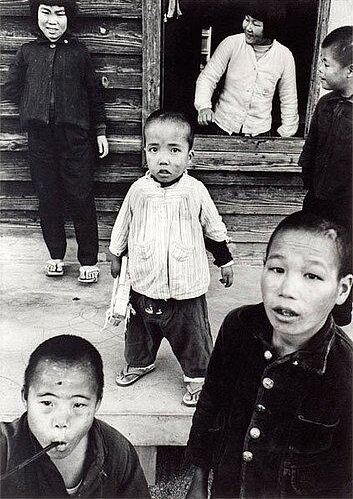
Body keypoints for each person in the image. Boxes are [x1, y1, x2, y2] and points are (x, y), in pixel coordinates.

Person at [185, 211, 352, 498]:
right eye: (277, 269)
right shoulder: (238, 328)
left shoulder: (344, 372)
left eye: (312, 275)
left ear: (342, 289)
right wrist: (198, 477)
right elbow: (211, 403)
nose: (287, 290)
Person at [109, 110, 234, 406]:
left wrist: (224, 260)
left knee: (193, 335)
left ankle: (198, 376)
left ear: (190, 157)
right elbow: (122, 223)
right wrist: (116, 253)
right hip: (144, 280)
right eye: (154, 150)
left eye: (174, 150)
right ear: (145, 154)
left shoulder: (195, 191)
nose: (163, 159)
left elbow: (213, 228)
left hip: (185, 286)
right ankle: (140, 361)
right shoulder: (139, 190)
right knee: (140, 330)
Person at [3, 0, 109, 283]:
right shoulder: (27, 52)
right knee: (47, 197)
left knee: (81, 196)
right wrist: (31, 106)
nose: (53, 21)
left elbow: (94, 95)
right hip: (40, 138)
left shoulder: (79, 53)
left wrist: (99, 130)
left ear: (69, 17)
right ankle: (56, 255)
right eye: (46, 13)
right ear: (35, 15)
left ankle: (88, 259)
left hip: (75, 138)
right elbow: (11, 87)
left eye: (60, 14)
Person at [0, 334, 150, 498]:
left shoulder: (117, 453)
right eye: (47, 403)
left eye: (78, 405)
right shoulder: (4, 449)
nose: (61, 422)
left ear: (97, 404)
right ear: (25, 397)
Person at [299, 26, 353, 326]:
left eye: (326, 64)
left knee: (344, 258)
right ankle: (312, 308)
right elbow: (312, 147)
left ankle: (340, 314)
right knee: (313, 253)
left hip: (347, 209)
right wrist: (308, 179)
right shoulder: (325, 103)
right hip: (317, 202)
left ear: (350, 70)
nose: (319, 69)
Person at [194, 0, 299, 137]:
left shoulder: (284, 56)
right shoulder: (231, 43)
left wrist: (286, 134)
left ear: (271, 27)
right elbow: (208, 77)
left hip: (260, 132)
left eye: (256, 24)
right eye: (247, 20)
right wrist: (204, 106)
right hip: (223, 125)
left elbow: (289, 98)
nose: (248, 27)